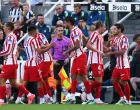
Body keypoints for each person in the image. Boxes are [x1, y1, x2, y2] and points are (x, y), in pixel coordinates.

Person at [15, 25, 54, 104]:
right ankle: (43, 100)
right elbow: (39, 51)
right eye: (36, 30)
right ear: (33, 31)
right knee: (40, 81)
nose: (37, 32)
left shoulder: (26, 40)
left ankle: (18, 98)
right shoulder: (33, 40)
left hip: (27, 64)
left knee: (26, 81)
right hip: (34, 64)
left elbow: (29, 50)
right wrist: (50, 46)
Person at [0, 22, 35, 105]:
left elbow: (8, 51)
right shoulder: (11, 36)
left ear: (8, 28)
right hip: (11, 62)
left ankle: (1, 101)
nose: (3, 28)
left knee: (2, 80)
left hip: (10, 62)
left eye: (4, 26)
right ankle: (29, 94)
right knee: (13, 83)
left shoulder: (10, 37)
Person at [63, 17, 94, 104]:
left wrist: (67, 51)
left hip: (80, 56)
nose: (64, 25)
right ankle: (72, 96)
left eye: (65, 23)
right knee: (73, 75)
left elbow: (77, 45)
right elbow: (84, 40)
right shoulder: (75, 30)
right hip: (77, 56)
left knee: (83, 76)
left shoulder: (75, 31)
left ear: (69, 22)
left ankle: (90, 96)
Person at [107, 24, 131, 105]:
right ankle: (122, 97)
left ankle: (128, 101)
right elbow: (107, 49)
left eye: (114, 29)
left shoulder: (124, 39)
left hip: (124, 64)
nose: (112, 31)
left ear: (119, 30)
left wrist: (111, 53)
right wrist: (109, 41)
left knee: (124, 82)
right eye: (112, 29)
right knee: (113, 81)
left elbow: (122, 52)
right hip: (118, 64)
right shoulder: (115, 39)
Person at [50, 24, 73, 104]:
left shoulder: (67, 40)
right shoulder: (53, 41)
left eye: (62, 30)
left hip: (64, 61)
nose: (60, 32)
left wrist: (68, 58)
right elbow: (50, 52)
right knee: (58, 81)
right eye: (59, 30)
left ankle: (71, 97)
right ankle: (58, 100)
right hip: (57, 62)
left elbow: (72, 51)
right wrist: (52, 60)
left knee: (65, 79)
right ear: (56, 31)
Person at [86, 21, 106, 104]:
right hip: (94, 60)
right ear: (100, 27)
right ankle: (85, 92)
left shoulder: (101, 36)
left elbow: (102, 48)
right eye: (104, 27)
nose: (105, 28)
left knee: (100, 80)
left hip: (99, 60)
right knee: (98, 81)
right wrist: (98, 51)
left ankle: (97, 98)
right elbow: (88, 45)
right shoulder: (95, 34)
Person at [36, 32, 54, 104]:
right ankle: (49, 97)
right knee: (45, 79)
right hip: (43, 60)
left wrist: (38, 46)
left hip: (45, 59)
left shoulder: (41, 35)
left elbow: (47, 45)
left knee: (39, 79)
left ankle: (43, 98)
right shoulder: (32, 39)